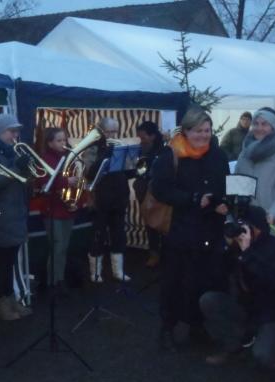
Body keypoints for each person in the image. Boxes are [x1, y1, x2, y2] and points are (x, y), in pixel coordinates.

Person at [151, 108, 229, 350]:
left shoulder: (217, 155)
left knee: (204, 279)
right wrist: (192, 199)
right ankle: (169, 326)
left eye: (207, 130)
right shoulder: (171, 155)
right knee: (175, 280)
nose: (203, 135)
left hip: (210, 228)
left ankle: (198, 326)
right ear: (185, 131)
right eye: (198, 131)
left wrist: (222, 203)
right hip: (181, 228)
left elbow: (224, 185)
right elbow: (160, 190)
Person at [199, 206, 275, 367]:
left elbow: (270, 283)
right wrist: (226, 247)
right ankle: (234, 346)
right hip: (247, 308)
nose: (242, 230)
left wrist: (247, 254)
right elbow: (215, 274)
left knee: (263, 356)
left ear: (257, 228)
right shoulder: (237, 245)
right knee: (209, 300)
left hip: (274, 313)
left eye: (245, 225)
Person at [0, 114, 33, 321]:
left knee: (9, 261)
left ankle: (10, 298)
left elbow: (21, 182)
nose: (15, 135)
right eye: (11, 131)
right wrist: (17, 167)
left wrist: (26, 170)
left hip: (14, 211)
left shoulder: (11, 151)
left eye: (16, 131)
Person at [235, 108, 275, 261]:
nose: (259, 128)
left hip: (273, 224)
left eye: (264, 124)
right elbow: (238, 185)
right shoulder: (246, 151)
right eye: (256, 123)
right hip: (247, 224)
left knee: (272, 268)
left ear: (274, 127)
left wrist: (272, 215)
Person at [86, 118, 133, 282]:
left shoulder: (120, 146)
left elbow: (128, 172)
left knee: (119, 234)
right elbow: (89, 172)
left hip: (119, 196)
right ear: (101, 131)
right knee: (98, 234)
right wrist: (105, 154)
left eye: (115, 131)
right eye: (109, 132)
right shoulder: (92, 148)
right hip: (100, 197)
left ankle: (118, 271)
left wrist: (134, 165)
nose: (113, 135)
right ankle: (95, 272)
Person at [36, 127, 76, 294]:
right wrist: (67, 182)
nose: (63, 143)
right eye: (59, 140)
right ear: (49, 143)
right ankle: (53, 282)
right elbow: (43, 183)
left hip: (66, 207)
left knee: (64, 246)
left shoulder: (68, 157)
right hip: (52, 208)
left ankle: (59, 279)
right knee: (57, 246)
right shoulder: (44, 160)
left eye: (64, 140)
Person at [134, 121, 166, 268]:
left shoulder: (163, 150)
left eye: (143, 137)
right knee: (149, 223)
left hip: (158, 191)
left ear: (152, 136)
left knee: (161, 222)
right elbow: (139, 171)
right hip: (144, 190)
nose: (141, 140)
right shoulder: (142, 149)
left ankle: (163, 253)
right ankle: (154, 254)